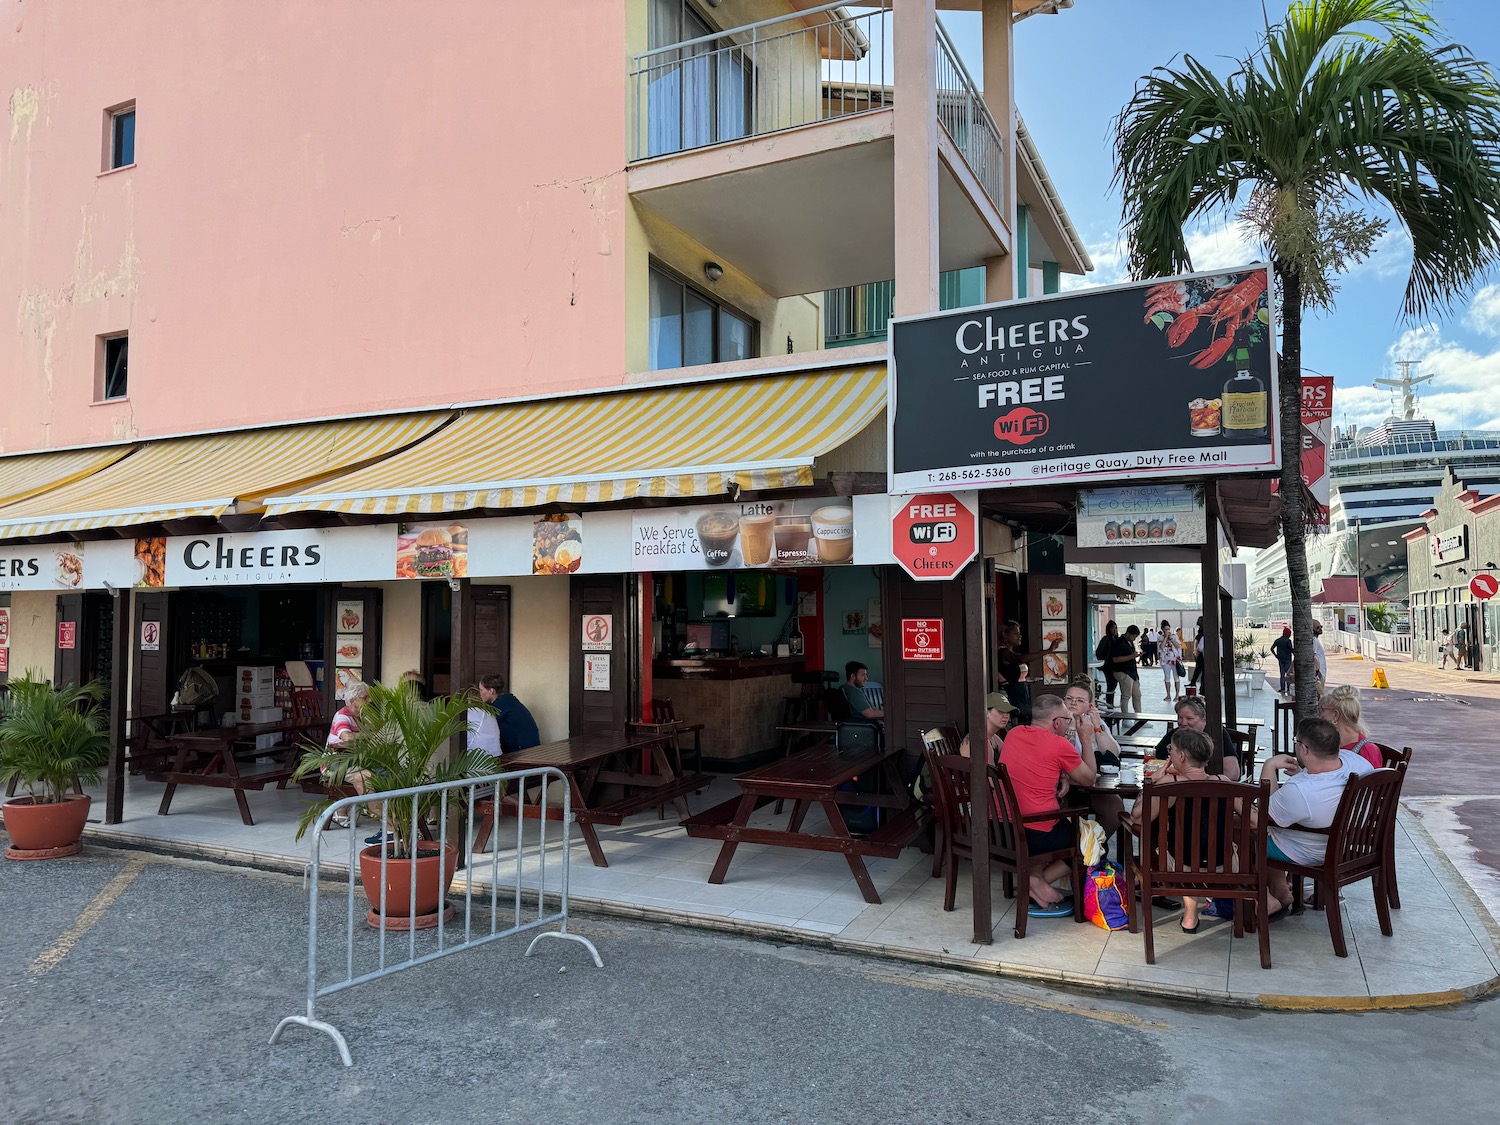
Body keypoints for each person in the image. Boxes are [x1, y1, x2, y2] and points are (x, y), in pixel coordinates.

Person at [996, 694, 1098, 911]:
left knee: (1060, 827)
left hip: (1000, 828)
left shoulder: (1014, 734)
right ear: (1057, 723)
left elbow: (1031, 764)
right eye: (1067, 720)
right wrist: (1087, 738)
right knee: (1093, 842)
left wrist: (1060, 773)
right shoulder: (1059, 744)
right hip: (1032, 832)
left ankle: (1034, 877)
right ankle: (1034, 882)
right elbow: (1089, 779)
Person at [1255, 717, 1364, 918]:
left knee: (1243, 830)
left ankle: (1264, 897)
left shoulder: (1301, 790)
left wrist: (1269, 766)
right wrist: (1303, 773)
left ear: (1303, 749)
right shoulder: (1356, 761)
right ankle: (1281, 891)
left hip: (1311, 852)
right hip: (1349, 846)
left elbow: (1265, 815)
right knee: (1270, 830)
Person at [1131, 728, 1235, 933]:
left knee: (1180, 851)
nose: (1169, 754)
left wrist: (1151, 782)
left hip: (1181, 866)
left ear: (1181, 756)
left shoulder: (1170, 785)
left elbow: (1137, 816)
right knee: (1207, 846)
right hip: (1224, 865)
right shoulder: (1224, 782)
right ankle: (1192, 914)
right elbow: (1254, 821)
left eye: (1171, 750)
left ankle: (1190, 915)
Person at [1061, 679, 1126, 837]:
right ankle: (1078, 852)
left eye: (1080, 700)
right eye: (1069, 699)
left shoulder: (1093, 722)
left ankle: (1094, 848)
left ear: (1090, 706)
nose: (1073, 703)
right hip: (1065, 785)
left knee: (1115, 808)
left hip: (1093, 784)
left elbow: (1112, 753)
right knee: (1069, 818)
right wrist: (1070, 727)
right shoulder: (1057, 722)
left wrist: (1097, 725)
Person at [324, 681, 377, 838]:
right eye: (365, 697)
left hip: (354, 761)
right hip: (336, 764)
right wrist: (369, 735)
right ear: (353, 701)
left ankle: (342, 810)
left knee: (378, 772)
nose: (369, 701)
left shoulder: (361, 717)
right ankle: (379, 815)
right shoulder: (342, 716)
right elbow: (346, 737)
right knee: (365, 777)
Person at [1153, 696, 1241, 781]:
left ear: (1204, 719)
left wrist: (1202, 783)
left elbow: (1233, 773)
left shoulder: (1217, 734)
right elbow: (1159, 755)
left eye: (1189, 718)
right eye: (1180, 717)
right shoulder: (1175, 734)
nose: (1183, 723)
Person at [995, 620, 1060, 724]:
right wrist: (1047, 651)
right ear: (1005, 635)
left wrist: (1027, 679)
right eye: (1016, 633)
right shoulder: (1004, 653)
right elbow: (1021, 659)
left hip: (1021, 697)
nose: (1020, 636)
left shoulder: (1010, 652)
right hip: (1013, 698)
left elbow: (1013, 676)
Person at [1320, 683, 1382, 770]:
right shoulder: (1332, 743)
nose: (1320, 715)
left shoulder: (1367, 751)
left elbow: (1373, 782)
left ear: (1335, 715)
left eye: (1322, 710)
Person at [478, 673, 540, 754]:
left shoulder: (502, 704)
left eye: (481, 690)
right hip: (524, 746)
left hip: (525, 750)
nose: (480, 693)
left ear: (491, 691)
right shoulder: (506, 700)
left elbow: (483, 723)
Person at [957, 692, 1015, 761]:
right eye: (1001, 711)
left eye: (1008, 712)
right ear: (986, 712)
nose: (1006, 716)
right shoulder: (980, 741)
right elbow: (989, 771)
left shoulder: (994, 738)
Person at [1109, 624, 1143, 715]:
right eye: (1133, 636)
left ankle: (1139, 716)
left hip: (1132, 672)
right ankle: (1125, 717)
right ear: (1128, 633)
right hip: (1123, 672)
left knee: (1137, 695)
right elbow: (1116, 659)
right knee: (1126, 695)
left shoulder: (1130, 642)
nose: (1134, 639)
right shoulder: (1119, 643)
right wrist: (1132, 656)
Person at [1095, 621, 1120, 710]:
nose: (1115, 630)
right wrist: (1104, 660)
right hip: (1108, 666)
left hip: (1115, 665)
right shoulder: (1106, 639)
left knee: (1113, 685)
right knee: (1111, 684)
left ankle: (1110, 703)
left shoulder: (1116, 639)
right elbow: (1098, 652)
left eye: (1116, 628)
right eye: (1113, 628)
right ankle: (1109, 704)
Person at [1158, 619, 1184, 702]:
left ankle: (1177, 695)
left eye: (1168, 629)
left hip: (1174, 659)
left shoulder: (1174, 636)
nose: (1167, 631)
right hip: (1165, 660)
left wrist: (1171, 639)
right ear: (1162, 629)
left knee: (1176, 677)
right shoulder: (1160, 638)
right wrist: (1166, 637)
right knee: (1167, 677)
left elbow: (1178, 646)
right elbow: (1161, 647)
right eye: (1166, 629)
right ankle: (1168, 695)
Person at [1271, 627, 1294, 694]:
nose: (1290, 635)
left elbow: (1272, 648)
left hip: (1280, 659)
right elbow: (1290, 650)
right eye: (1290, 634)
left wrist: (1276, 656)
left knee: (1282, 674)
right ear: (1287, 634)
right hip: (1287, 659)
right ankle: (1289, 688)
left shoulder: (1278, 640)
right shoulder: (1288, 641)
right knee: (1289, 674)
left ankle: (1282, 688)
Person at [1188, 617, 1206, 688]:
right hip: (1201, 651)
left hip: (1201, 650)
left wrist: (1196, 650)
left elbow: (1198, 640)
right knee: (1199, 668)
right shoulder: (1201, 630)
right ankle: (1194, 683)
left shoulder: (1203, 631)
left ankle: (1197, 684)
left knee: (1200, 668)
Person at [1312, 621, 1328, 692]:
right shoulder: (1314, 640)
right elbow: (1313, 656)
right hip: (1319, 673)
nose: (1320, 629)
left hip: (1321, 672)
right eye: (1317, 627)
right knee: (1319, 695)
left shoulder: (1316, 640)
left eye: (1321, 626)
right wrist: (1317, 671)